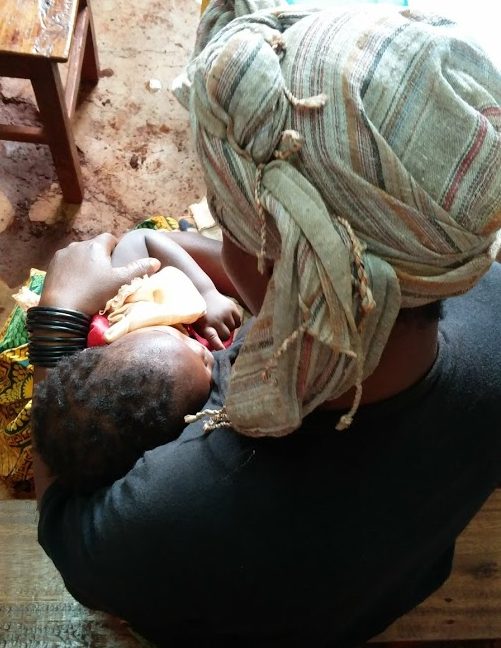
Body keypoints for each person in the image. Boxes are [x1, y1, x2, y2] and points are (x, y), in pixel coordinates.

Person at [31, 3, 500, 646]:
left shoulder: (175, 511)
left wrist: (57, 329)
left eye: (228, 224)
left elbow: (64, 532)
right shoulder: (489, 305)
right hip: (387, 585)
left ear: (287, 273)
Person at [1, 227, 242, 492]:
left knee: (155, 229)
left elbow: (142, 239)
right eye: (208, 370)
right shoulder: (179, 430)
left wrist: (207, 293)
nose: (203, 352)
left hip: (88, 292)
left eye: (173, 336)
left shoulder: (121, 313)